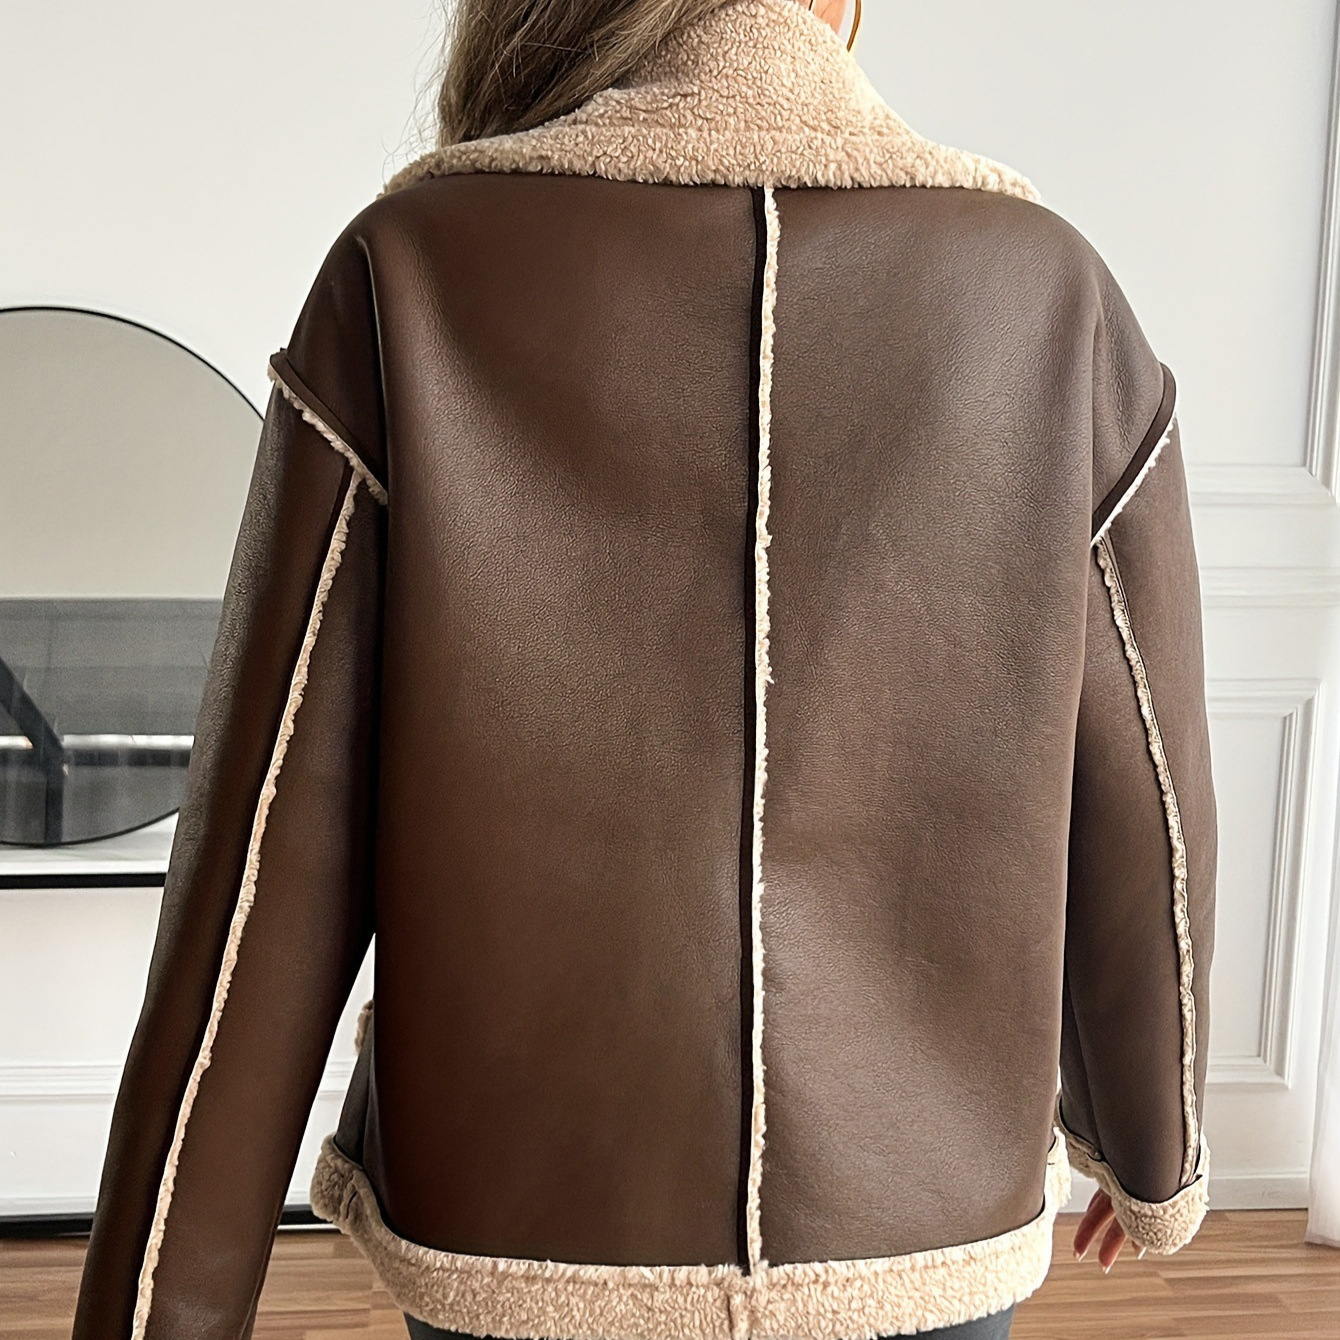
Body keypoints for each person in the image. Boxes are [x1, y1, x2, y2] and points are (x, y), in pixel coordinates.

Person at [71, 1, 1218, 1338]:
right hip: (920, 1236)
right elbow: (1153, 797)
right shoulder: (1049, 292)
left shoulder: (413, 269)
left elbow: (262, 856)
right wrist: (1154, 1150)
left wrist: (158, 1307)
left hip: (517, 1243)